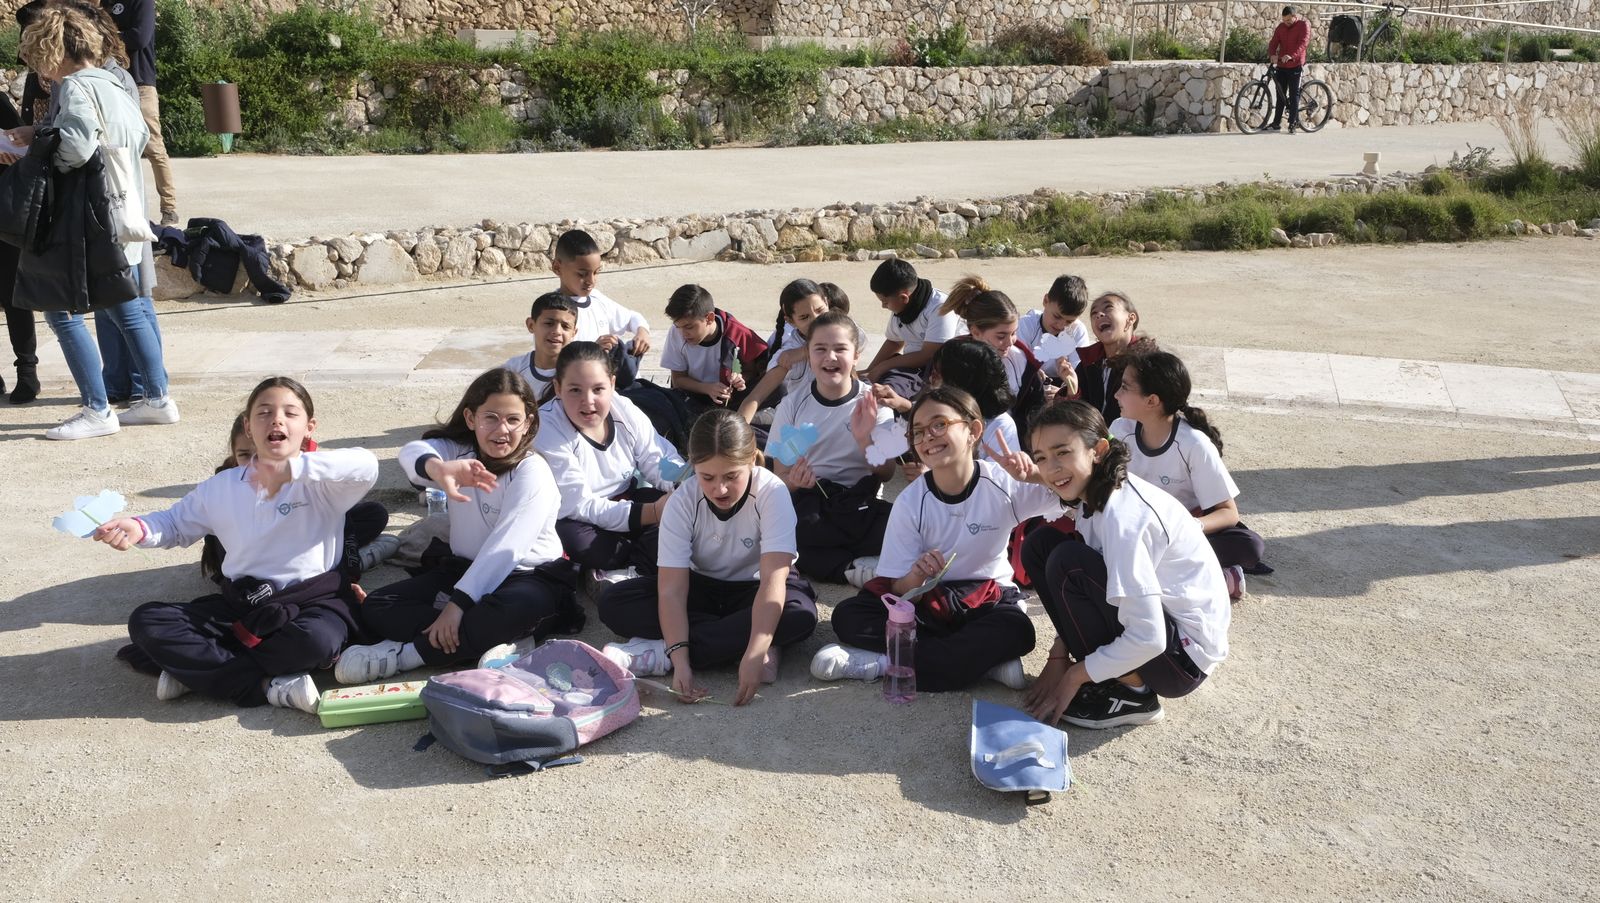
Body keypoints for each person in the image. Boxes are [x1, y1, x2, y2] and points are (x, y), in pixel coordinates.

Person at [96, 378, 379, 713]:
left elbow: (366, 466)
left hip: (313, 605)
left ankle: (199, 673)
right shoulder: (222, 486)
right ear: (248, 426)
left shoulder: (323, 484)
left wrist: (291, 469)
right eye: (264, 413)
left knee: (314, 641)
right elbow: (173, 523)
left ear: (309, 428)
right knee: (148, 621)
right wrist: (138, 528)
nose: (277, 420)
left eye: (290, 413)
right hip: (244, 605)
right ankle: (267, 686)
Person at [812, 387, 1065, 692]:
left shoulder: (1004, 483)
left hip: (985, 601)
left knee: (1018, 630)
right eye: (918, 432)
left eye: (940, 424)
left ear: (973, 430)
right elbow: (898, 588)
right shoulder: (910, 502)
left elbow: (1074, 492)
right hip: (928, 603)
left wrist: (1036, 474)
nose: (928, 438)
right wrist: (916, 577)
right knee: (850, 616)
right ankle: (983, 662)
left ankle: (884, 662)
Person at [337, 368, 581, 684]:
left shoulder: (532, 471)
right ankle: (480, 639)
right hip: (464, 570)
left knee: (511, 610)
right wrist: (437, 469)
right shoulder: (459, 453)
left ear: (529, 423)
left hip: (527, 576)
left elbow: (506, 548)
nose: (502, 430)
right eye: (490, 417)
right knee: (377, 606)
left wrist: (457, 606)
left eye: (513, 420)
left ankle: (407, 655)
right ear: (470, 418)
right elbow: (412, 452)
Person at [10, 5, 177, 440]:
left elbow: (77, 149)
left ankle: (97, 409)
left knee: (59, 311)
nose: (39, 69)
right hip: (123, 213)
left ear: (52, 49)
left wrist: (41, 152)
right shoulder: (115, 81)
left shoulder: (76, 86)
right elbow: (137, 137)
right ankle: (158, 399)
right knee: (129, 306)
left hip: (87, 220)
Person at [1010, 401, 1231, 728]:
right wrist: (1059, 653)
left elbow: (1150, 637)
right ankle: (1114, 675)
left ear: (1098, 450)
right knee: (1041, 546)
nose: (1051, 469)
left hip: (1181, 662)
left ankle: (1134, 692)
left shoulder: (1123, 517)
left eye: (1062, 452)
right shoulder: (1098, 494)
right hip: (1165, 634)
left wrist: (1074, 676)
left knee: (1069, 562)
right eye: (1041, 458)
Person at [598, 409, 818, 706]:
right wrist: (681, 661)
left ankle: (662, 653)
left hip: (755, 588)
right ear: (693, 466)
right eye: (708, 477)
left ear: (751, 460)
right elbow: (672, 590)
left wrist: (755, 651)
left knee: (799, 614)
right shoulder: (682, 500)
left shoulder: (772, 492)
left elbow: (772, 582)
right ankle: (735, 641)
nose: (720, 488)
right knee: (614, 603)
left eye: (731, 476)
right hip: (700, 587)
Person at [1111, 350, 1268, 600]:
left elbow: (1228, 513)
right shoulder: (1120, 431)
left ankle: (1172, 574)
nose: (1116, 394)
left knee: (1249, 545)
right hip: (1139, 530)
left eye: (1125, 387)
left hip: (1183, 532)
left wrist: (1188, 528)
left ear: (1152, 401)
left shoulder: (1194, 444)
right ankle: (1211, 578)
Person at [766, 311, 896, 584]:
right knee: (783, 530)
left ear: (856, 355)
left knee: (905, 524)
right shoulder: (792, 405)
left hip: (859, 503)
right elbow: (780, 476)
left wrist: (864, 439)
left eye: (840, 349)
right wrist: (795, 482)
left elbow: (887, 473)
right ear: (808, 354)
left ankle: (845, 558)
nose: (830, 357)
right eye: (820, 349)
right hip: (812, 504)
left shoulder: (874, 403)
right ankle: (849, 567)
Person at [534, 342, 673, 588]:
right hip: (578, 519)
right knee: (581, 544)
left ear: (612, 383)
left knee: (677, 511)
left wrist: (684, 487)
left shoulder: (623, 409)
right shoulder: (547, 427)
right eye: (575, 390)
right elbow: (579, 504)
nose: (588, 401)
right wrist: (653, 512)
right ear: (557, 388)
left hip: (627, 500)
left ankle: (629, 565)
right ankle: (636, 562)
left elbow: (658, 457)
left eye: (598, 389)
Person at [198, 412, 395, 585]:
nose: (257, 463)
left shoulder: (300, 470)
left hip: (304, 544)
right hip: (266, 564)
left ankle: (345, 560)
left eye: (266, 451)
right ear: (234, 455)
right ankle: (351, 562)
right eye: (244, 455)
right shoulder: (225, 489)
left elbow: (339, 509)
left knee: (374, 514)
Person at [938, 275, 1047, 445]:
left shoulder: (1021, 360)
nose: (1010, 342)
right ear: (975, 332)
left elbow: (1034, 408)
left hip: (1009, 440)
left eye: (1014, 333)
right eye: (1001, 336)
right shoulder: (953, 357)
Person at [99, 0, 175, 224]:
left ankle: (169, 207)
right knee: (113, 146)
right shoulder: (105, 3)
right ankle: (120, 208)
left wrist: (106, 37)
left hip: (141, 83)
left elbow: (140, 37)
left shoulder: (142, 2)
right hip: (110, 83)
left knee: (153, 146)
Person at [552, 229, 651, 386]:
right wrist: (592, 352)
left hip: (618, 384)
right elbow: (554, 362)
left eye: (596, 273)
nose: (591, 281)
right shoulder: (551, 310)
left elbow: (632, 317)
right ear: (557, 268)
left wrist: (642, 332)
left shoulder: (596, 299)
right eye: (582, 274)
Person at [660, 283, 768, 417]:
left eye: (689, 327)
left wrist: (739, 379)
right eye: (678, 326)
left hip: (728, 399)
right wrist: (707, 388)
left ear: (709, 318)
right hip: (692, 396)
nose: (683, 333)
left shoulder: (737, 333)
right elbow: (678, 380)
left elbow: (752, 371)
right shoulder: (676, 333)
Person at [735, 278, 832, 422]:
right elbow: (756, 397)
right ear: (791, 321)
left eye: (819, 310)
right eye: (804, 317)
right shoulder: (788, 356)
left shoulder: (847, 334)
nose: (816, 320)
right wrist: (737, 431)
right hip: (802, 422)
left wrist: (806, 351)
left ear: (827, 302)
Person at [863, 258, 958, 400]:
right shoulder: (901, 307)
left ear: (904, 298)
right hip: (910, 365)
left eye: (885, 302)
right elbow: (894, 342)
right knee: (863, 383)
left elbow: (929, 355)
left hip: (936, 369)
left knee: (883, 392)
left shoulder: (940, 308)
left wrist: (882, 367)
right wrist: (870, 370)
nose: (883, 306)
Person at [1072, 290, 1150, 425]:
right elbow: (1076, 413)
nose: (1099, 314)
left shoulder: (1147, 363)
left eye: (1108, 308)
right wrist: (1070, 388)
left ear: (1130, 319)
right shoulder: (1089, 362)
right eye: (1094, 313)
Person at [1018, 274, 1095, 387]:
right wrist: (1033, 376)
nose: (1061, 325)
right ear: (1046, 301)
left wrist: (1062, 391)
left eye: (1069, 321)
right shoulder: (1026, 324)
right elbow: (1018, 366)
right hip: (1030, 384)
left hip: (1061, 387)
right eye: (1057, 316)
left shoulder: (1077, 330)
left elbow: (1079, 375)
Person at [501, 290, 579, 401]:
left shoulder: (579, 373)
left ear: (574, 333)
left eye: (565, 326)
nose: (557, 331)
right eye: (549, 323)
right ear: (531, 325)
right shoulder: (513, 370)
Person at [1267, 5, 1310, 133]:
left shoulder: (1303, 25)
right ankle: (1276, 123)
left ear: (1295, 17)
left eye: (1289, 20)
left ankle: (1293, 123)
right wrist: (1272, 54)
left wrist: (1292, 55)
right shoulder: (1281, 27)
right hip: (1282, 65)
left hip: (1295, 64)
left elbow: (1303, 43)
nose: (1286, 23)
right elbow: (1273, 42)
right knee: (1280, 94)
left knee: (1293, 94)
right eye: (1284, 20)